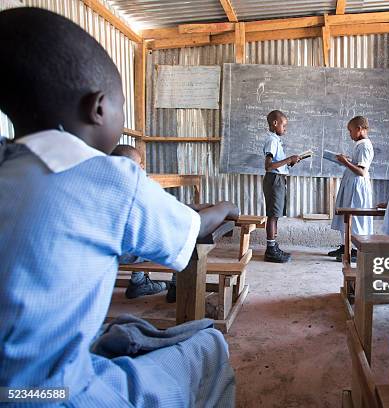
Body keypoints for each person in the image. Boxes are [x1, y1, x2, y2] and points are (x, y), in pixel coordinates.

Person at [0, 8, 238, 406]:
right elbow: (193, 227)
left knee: (123, 330)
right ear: (97, 108)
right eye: (121, 105)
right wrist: (226, 206)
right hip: (52, 395)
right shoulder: (108, 178)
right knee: (209, 345)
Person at [111, 145, 167, 299]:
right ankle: (176, 285)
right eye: (140, 163)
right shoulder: (138, 188)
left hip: (105, 250)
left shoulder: (104, 186)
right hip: (126, 254)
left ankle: (139, 282)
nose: (143, 167)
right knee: (178, 240)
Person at [329, 116, 374, 263]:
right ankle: (345, 246)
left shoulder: (365, 146)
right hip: (351, 185)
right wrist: (346, 160)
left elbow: (361, 171)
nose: (349, 134)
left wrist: (345, 162)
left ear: (359, 129)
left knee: (355, 216)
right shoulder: (359, 144)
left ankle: (354, 250)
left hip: (357, 186)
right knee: (346, 215)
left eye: (350, 131)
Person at [262, 110, 301, 263]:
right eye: (284, 125)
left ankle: (274, 246)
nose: (285, 128)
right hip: (273, 180)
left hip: (277, 179)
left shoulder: (276, 140)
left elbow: (276, 165)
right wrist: (289, 159)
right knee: (272, 215)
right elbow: (269, 166)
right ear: (275, 123)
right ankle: (270, 250)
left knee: (276, 215)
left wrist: (289, 162)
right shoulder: (272, 140)